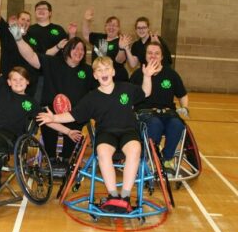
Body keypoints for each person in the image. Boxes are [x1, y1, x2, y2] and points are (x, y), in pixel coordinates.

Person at [0, 27, 78, 216]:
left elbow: (48, 121)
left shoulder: (30, 103)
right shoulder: (2, 90)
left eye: (21, 79)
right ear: (8, 82)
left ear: (27, 83)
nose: (18, 82)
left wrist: (67, 132)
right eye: (14, 79)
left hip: (10, 137)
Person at [37, 56, 160, 213]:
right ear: (95, 75)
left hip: (128, 132)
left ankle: (126, 196)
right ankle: (113, 196)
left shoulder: (126, 88)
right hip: (106, 134)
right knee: (102, 152)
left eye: (107, 68)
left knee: (135, 149)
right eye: (99, 70)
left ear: (113, 71)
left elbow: (146, 92)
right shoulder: (91, 98)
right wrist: (54, 117)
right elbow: (74, 115)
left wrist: (147, 76)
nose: (104, 72)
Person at [11, 27, 97, 169]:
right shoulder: (53, 62)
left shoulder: (87, 71)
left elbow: (100, 87)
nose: (79, 52)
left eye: (82, 50)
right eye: (75, 48)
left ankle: (65, 159)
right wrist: (19, 40)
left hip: (74, 114)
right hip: (51, 110)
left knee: (76, 121)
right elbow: (31, 56)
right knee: (46, 117)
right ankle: (51, 158)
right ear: (67, 49)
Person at [130, 41, 188, 174]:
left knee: (177, 125)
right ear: (145, 56)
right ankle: (150, 157)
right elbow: (130, 97)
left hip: (168, 113)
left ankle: (167, 158)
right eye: (150, 53)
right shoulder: (138, 75)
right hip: (145, 114)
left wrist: (185, 107)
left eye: (157, 53)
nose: (153, 56)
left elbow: (183, 95)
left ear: (162, 57)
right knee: (155, 124)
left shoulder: (171, 74)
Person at [0, 0, 38, 95]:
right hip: (8, 81)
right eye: (22, 19)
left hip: (26, 84)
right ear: (17, 20)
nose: (25, 22)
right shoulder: (7, 33)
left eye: (28, 20)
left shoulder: (33, 39)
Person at [26, 0, 76, 103]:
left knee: (56, 103)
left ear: (50, 13)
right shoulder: (29, 30)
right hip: (35, 75)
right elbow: (37, 56)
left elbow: (69, 50)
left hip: (55, 75)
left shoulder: (58, 29)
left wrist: (72, 35)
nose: (41, 11)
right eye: (38, 9)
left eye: (44, 9)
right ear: (35, 13)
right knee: (35, 103)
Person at [82, 8, 130, 82]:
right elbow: (86, 35)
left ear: (118, 28)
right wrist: (86, 20)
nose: (111, 27)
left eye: (114, 25)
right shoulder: (100, 38)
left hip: (116, 80)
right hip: (98, 79)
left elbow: (120, 61)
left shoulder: (121, 41)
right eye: (109, 25)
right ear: (105, 27)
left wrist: (121, 48)